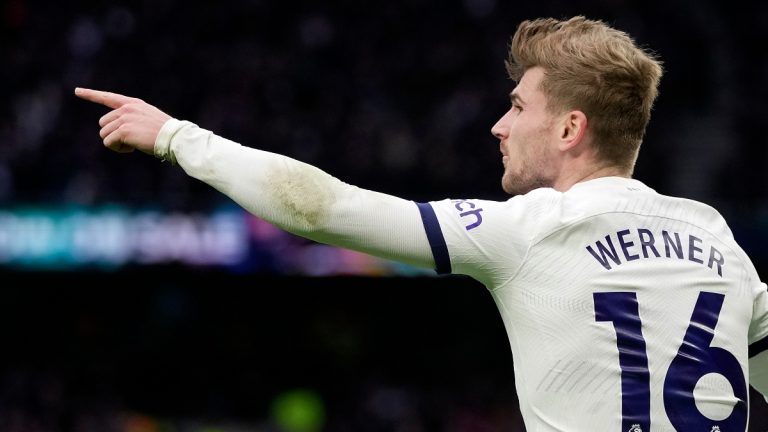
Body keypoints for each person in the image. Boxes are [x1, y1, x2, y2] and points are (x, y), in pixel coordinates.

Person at [76, 15, 768, 431]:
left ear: (569, 128)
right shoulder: (720, 244)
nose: (499, 126)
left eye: (517, 107)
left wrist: (177, 137)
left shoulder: (529, 229)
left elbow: (322, 208)